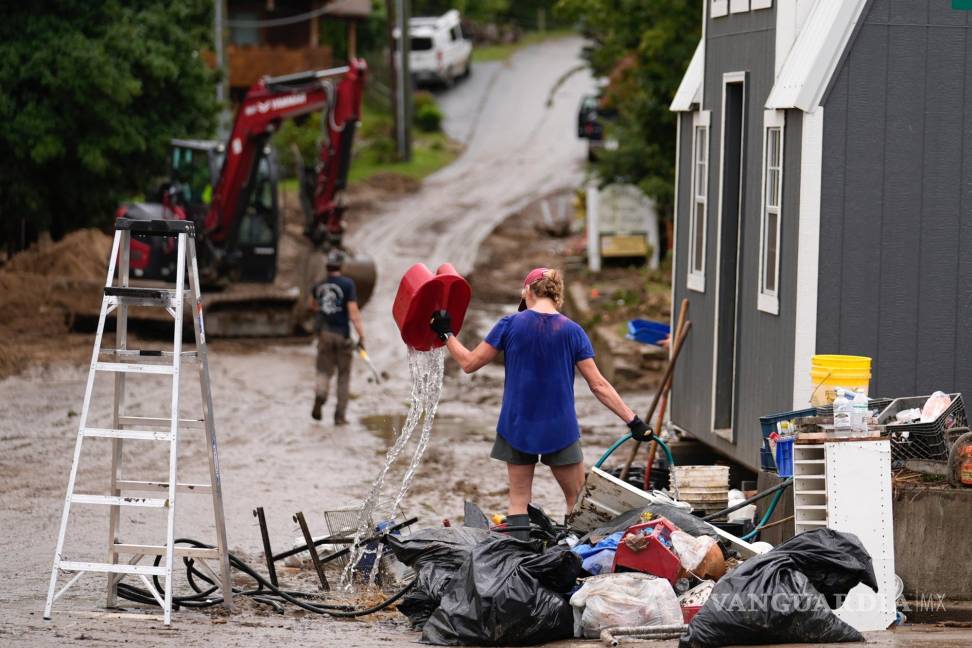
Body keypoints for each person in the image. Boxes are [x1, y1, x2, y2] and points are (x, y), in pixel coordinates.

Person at [429, 267, 651, 537]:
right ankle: (574, 560)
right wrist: (633, 421)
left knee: (518, 499)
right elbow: (598, 385)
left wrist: (446, 334)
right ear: (556, 296)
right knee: (577, 501)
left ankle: (517, 563)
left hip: (516, 425)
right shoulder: (573, 331)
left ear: (528, 291)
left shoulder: (509, 324)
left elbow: (469, 364)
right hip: (560, 427)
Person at [309, 250, 365, 424]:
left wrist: (324, 310)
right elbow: (353, 313)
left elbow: (312, 306)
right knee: (343, 376)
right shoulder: (348, 285)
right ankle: (339, 416)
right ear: (341, 266)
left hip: (325, 335)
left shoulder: (319, 286)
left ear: (327, 266)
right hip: (342, 335)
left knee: (323, 371)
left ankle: (320, 395)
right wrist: (362, 336)